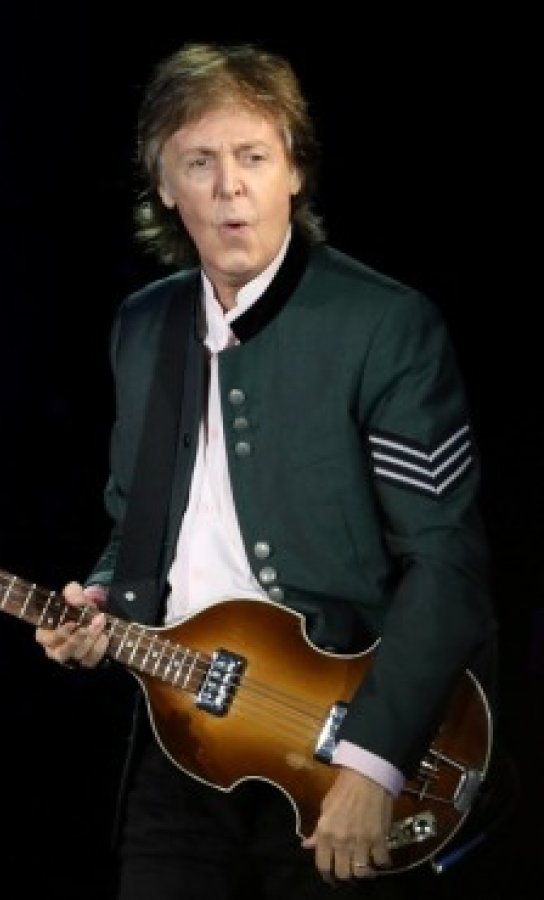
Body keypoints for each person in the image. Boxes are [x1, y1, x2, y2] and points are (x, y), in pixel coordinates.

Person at [33, 42, 501, 898]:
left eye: (252, 157)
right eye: (199, 162)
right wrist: (99, 600)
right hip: (181, 745)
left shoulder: (385, 324)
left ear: (295, 172)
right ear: (164, 185)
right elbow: (137, 525)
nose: (229, 187)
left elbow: (447, 564)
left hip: (333, 744)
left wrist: (374, 759)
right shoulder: (143, 325)